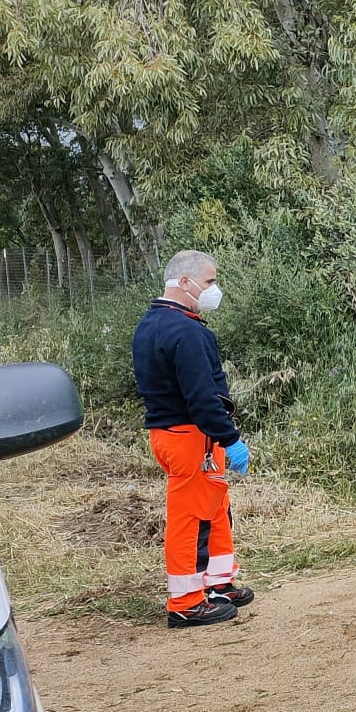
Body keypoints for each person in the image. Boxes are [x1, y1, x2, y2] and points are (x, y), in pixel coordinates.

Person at [132, 250, 254, 629]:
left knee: (214, 507)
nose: (214, 289)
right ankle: (185, 601)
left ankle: (218, 583)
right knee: (189, 519)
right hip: (190, 437)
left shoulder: (151, 324)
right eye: (209, 282)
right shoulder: (185, 331)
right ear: (184, 282)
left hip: (175, 434)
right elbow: (202, 397)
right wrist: (229, 438)